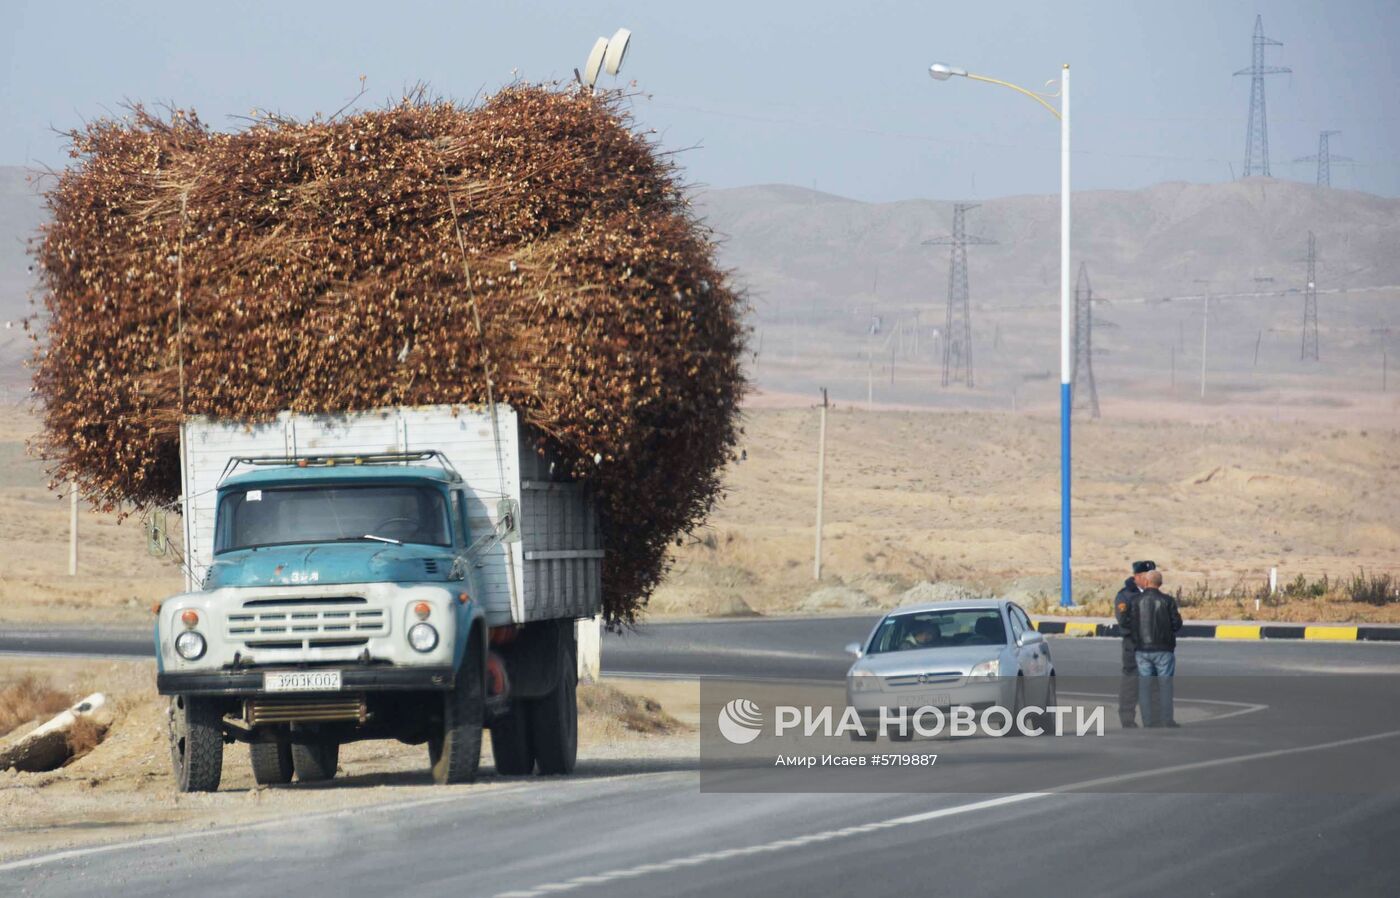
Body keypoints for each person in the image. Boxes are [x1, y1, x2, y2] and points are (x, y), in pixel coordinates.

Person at [1118, 570, 1183, 728]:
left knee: (1145, 686)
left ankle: (1148, 721)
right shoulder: (1167, 600)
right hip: (1163, 649)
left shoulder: (1135, 601)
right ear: (1160, 583)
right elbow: (1177, 623)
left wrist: (1138, 639)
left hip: (1142, 650)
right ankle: (1167, 719)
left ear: (1146, 582)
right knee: (1165, 685)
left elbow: (1128, 623)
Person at [1113, 561, 1156, 728]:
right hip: (1134, 644)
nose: (1150, 579)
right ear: (1137, 576)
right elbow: (1124, 621)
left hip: (1154, 644)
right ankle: (1127, 718)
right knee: (1131, 682)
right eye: (1147, 576)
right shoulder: (1125, 596)